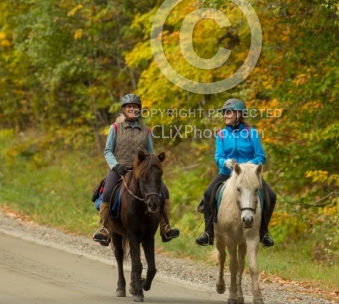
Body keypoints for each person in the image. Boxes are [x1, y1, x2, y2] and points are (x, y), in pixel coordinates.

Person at [93, 93, 180, 246]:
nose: (132, 109)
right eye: (129, 107)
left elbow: (151, 152)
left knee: (164, 191)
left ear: (139, 110)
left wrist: (153, 164)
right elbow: (108, 151)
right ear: (124, 109)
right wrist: (115, 165)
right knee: (107, 192)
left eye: (135, 107)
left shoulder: (145, 130)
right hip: (120, 168)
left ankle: (165, 227)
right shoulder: (115, 128)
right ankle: (105, 229)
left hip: (141, 172)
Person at [195, 98, 276, 248]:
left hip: (248, 175)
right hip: (227, 173)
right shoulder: (221, 134)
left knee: (271, 196)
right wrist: (224, 162)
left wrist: (248, 165)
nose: (225, 115)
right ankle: (208, 233)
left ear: (239, 114)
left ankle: (263, 233)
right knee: (207, 194)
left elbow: (261, 157)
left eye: (228, 112)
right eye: (224, 113)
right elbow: (218, 156)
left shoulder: (252, 133)